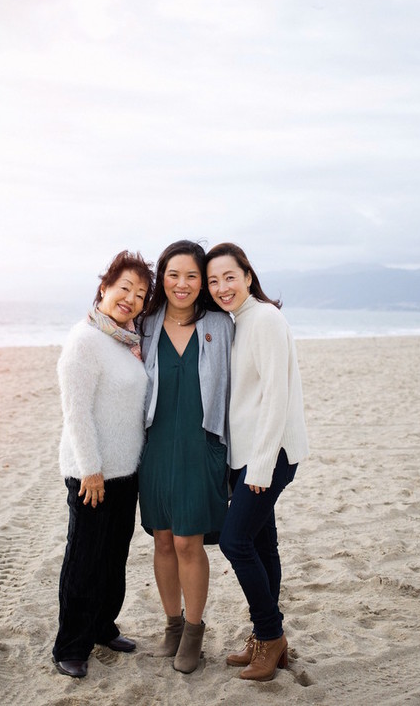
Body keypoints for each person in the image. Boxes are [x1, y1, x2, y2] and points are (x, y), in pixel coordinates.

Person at [205, 242, 309, 682]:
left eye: (229, 276)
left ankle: (271, 635)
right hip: (249, 454)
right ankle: (267, 639)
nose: (222, 287)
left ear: (248, 275)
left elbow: (275, 398)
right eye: (213, 281)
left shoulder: (265, 318)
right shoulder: (238, 322)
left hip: (270, 454)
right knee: (263, 545)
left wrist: (261, 467)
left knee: (235, 542)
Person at [52, 250, 154, 679]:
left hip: (125, 471)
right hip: (90, 473)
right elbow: (76, 412)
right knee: (84, 559)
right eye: (124, 288)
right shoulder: (84, 340)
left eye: (140, 293)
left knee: (114, 556)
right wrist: (91, 469)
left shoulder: (126, 340)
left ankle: (102, 626)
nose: (130, 298)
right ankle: (70, 645)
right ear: (104, 288)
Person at [138, 240, 233, 674]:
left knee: (187, 542)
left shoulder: (221, 324)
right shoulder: (147, 322)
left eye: (192, 276)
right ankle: (172, 626)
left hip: (200, 446)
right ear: (163, 278)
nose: (183, 284)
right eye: (174, 275)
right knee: (161, 540)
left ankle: (194, 632)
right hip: (156, 446)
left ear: (203, 282)